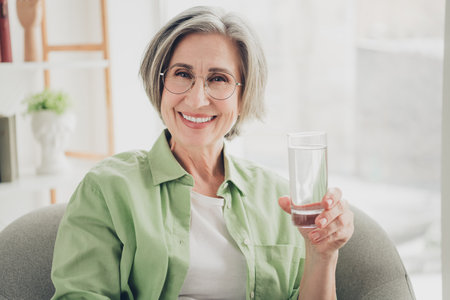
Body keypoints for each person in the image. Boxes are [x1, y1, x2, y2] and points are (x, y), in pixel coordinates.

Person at [51, 6, 354, 300]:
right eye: (182, 74)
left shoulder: (278, 199)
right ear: (160, 84)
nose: (196, 100)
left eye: (218, 79)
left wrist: (322, 256)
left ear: (243, 94)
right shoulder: (107, 189)